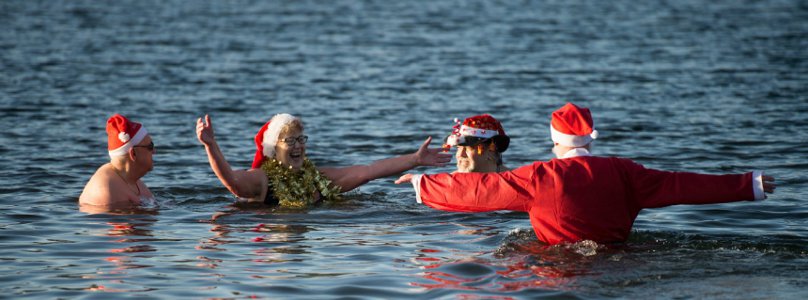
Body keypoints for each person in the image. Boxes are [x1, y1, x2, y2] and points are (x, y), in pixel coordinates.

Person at [396, 103, 776, 245]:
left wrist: (420, 182)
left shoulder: (538, 176)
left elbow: (481, 193)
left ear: (554, 140)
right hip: (619, 260)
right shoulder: (625, 172)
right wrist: (749, 183)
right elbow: (683, 184)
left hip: (554, 267)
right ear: (589, 140)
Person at [196, 113, 451, 208]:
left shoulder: (318, 177)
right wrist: (211, 145)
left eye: (301, 139)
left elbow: (368, 171)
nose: (299, 146)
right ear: (274, 149)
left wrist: (415, 159)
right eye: (291, 141)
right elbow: (231, 182)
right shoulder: (262, 179)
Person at [79, 114, 156, 209]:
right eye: (150, 146)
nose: (154, 151)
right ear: (133, 154)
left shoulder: (129, 178)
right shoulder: (107, 191)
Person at [444, 114, 510, 173]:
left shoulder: (514, 182)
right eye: (458, 148)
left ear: (491, 150)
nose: (460, 154)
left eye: (469, 148)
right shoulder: (446, 182)